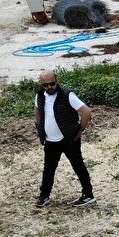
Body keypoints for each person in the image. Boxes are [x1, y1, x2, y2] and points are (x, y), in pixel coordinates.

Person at [33, 69, 95, 208]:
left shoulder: (67, 95)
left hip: (68, 139)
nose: (49, 87)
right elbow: (37, 110)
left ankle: (88, 195)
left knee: (78, 166)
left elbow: (86, 111)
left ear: (57, 80)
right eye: (45, 85)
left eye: (52, 84)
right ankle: (44, 196)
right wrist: (40, 128)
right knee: (48, 168)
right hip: (50, 140)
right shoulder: (40, 96)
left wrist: (80, 130)